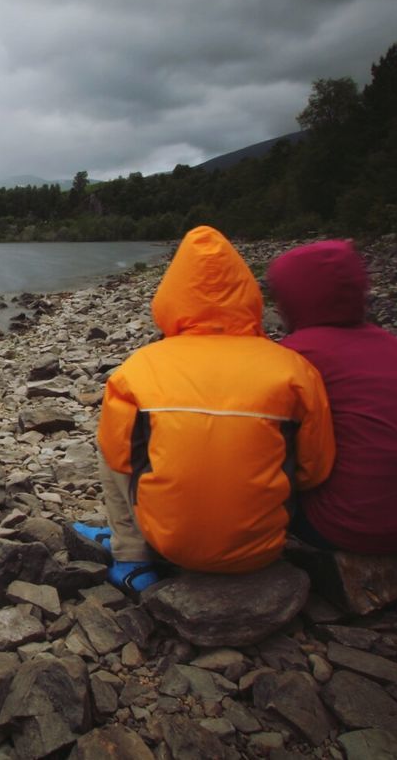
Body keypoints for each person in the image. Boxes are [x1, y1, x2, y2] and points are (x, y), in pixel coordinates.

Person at [78, 225, 336, 593]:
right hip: (262, 549)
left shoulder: (139, 368)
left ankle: (132, 557)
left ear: (172, 295)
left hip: (171, 542)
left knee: (110, 444)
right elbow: (315, 469)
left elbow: (121, 459)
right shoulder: (294, 369)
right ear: (248, 292)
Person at [266, 239, 397, 553]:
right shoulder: (390, 344)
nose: (277, 306)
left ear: (299, 298)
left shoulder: (297, 355)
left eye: (280, 296)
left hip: (342, 527)